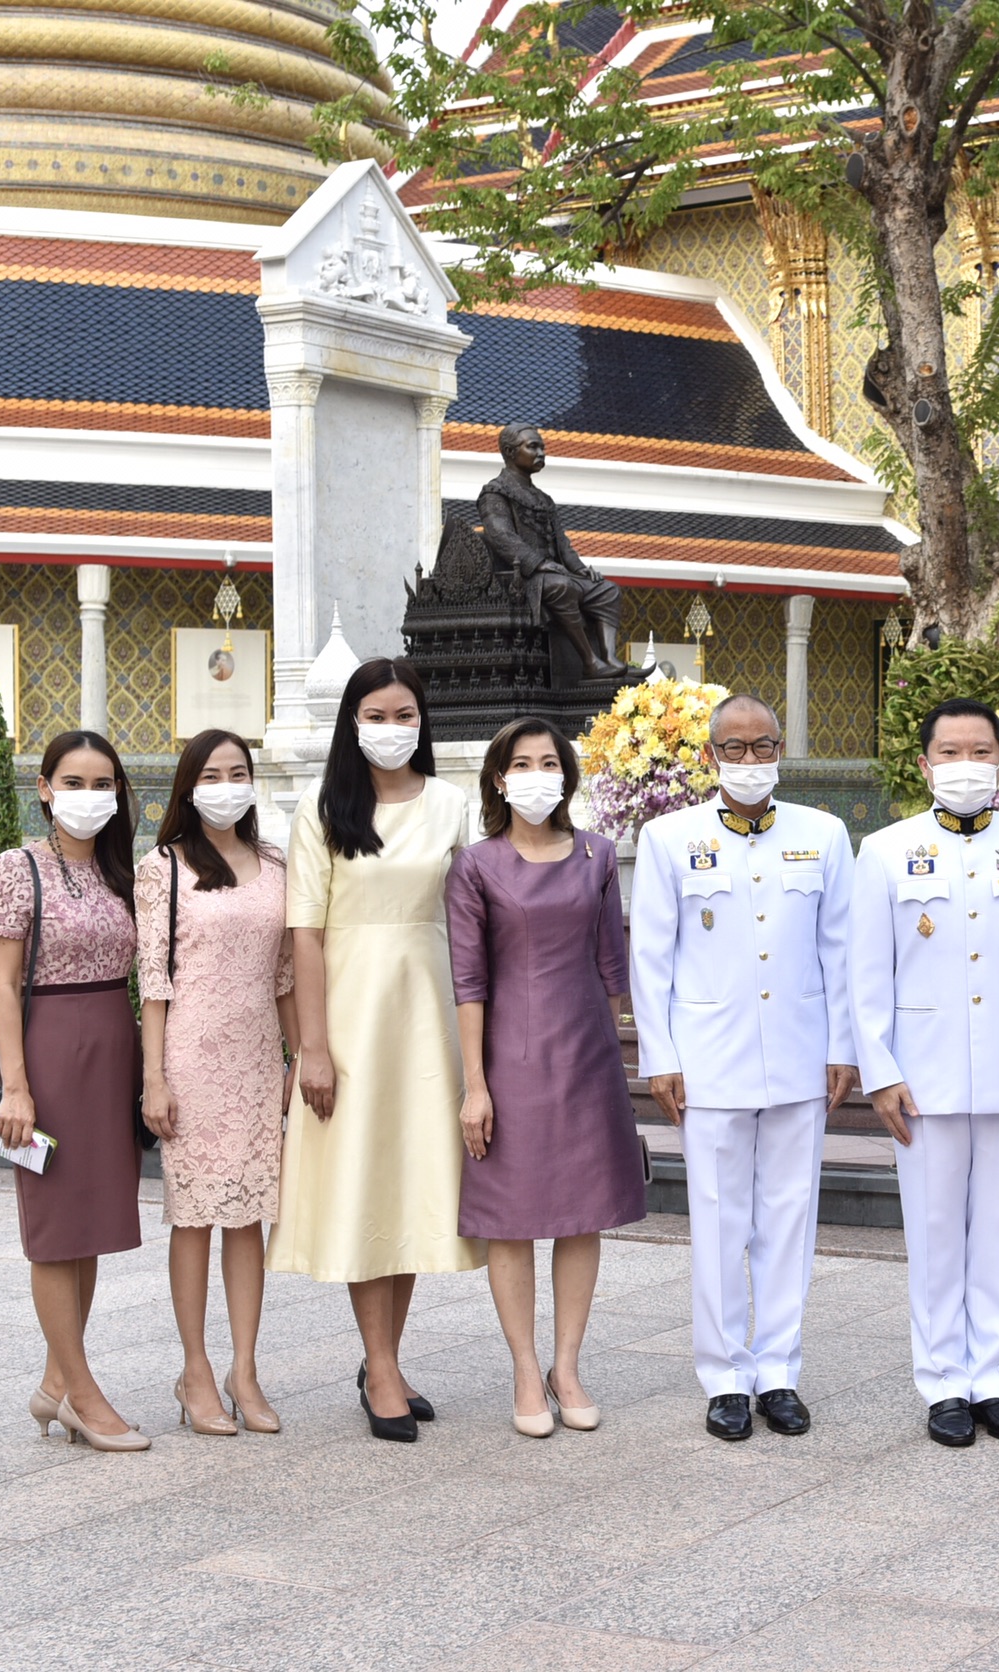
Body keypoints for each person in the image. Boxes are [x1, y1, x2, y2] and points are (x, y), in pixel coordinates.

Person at [851, 699, 999, 1447]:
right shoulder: (885, 850)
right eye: (949, 752)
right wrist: (880, 1071)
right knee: (935, 1235)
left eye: (979, 751)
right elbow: (867, 973)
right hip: (923, 1077)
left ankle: (996, 1382)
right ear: (924, 765)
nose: (965, 765)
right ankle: (945, 1384)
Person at [630, 692, 855, 1442]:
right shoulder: (669, 838)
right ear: (709, 755)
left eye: (763, 747)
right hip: (709, 1060)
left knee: (789, 1219)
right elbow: (651, 957)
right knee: (721, 1221)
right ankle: (726, 1377)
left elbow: (840, 950)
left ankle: (779, 1371)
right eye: (735, 747)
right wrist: (661, 1057)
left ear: (781, 750)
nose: (750, 760)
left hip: (799, 1054)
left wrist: (842, 1046)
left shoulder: (822, 835)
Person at [271, 658, 484, 1443]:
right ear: (351, 722)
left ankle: (384, 1358)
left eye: (404, 716)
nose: (391, 729)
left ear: (422, 722)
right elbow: (305, 936)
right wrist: (312, 1048)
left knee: (412, 1187)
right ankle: (382, 1365)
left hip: (428, 1018)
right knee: (363, 1184)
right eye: (375, 715)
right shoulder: (322, 809)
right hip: (350, 1019)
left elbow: (472, 920)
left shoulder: (452, 805)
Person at [447, 719, 649, 1438]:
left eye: (549, 762)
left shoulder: (598, 854)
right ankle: (526, 1369)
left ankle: (567, 1366)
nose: (537, 775)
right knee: (512, 1216)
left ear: (567, 775)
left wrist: (615, 1062)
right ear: (499, 779)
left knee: (581, 1212)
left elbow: (611, 966)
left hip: (587, 1054)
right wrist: (475, 1085)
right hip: (510, 1056)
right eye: (522, 764)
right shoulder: (476, 866)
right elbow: (469, 981)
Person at [0, 729, 148, 1452]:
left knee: (90, 1227)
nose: (88, 796)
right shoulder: (17, 869)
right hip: (48, 1054)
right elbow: (3, 986)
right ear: (44, 789)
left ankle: (54, 1382)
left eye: (102, 784)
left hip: (113, 1048)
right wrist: (15, 1087)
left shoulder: (122, 871)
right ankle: (81, 1394)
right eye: (73, 783)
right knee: (53, 1231)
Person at [138, 728, 296, 1438]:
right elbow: (153, 982)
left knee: (248, 1215)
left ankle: (246, 1370)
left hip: (257, 1059)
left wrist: (300, 1057)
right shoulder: (161, 868)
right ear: (188, 787)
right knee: (195, 1216)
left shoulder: (276, 863)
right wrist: (154, 1078)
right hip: (191, 1060)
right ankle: (195, 1371)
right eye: (211, 775)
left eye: (237, 773)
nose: (226, 786)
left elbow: (286, 976)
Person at [478, 423, 642, 679]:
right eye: (533, 447)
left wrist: (580, 569)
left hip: (554, 573)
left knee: (607, 590)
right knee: (562, 586)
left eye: (542, 447)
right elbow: (502, 537)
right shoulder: (495, 492)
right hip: (522, 577)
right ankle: (589, 662)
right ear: (510, 452)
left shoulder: (544, 499)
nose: (541, 453)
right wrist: (538, 563)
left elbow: (562, 543)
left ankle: (609, 658)